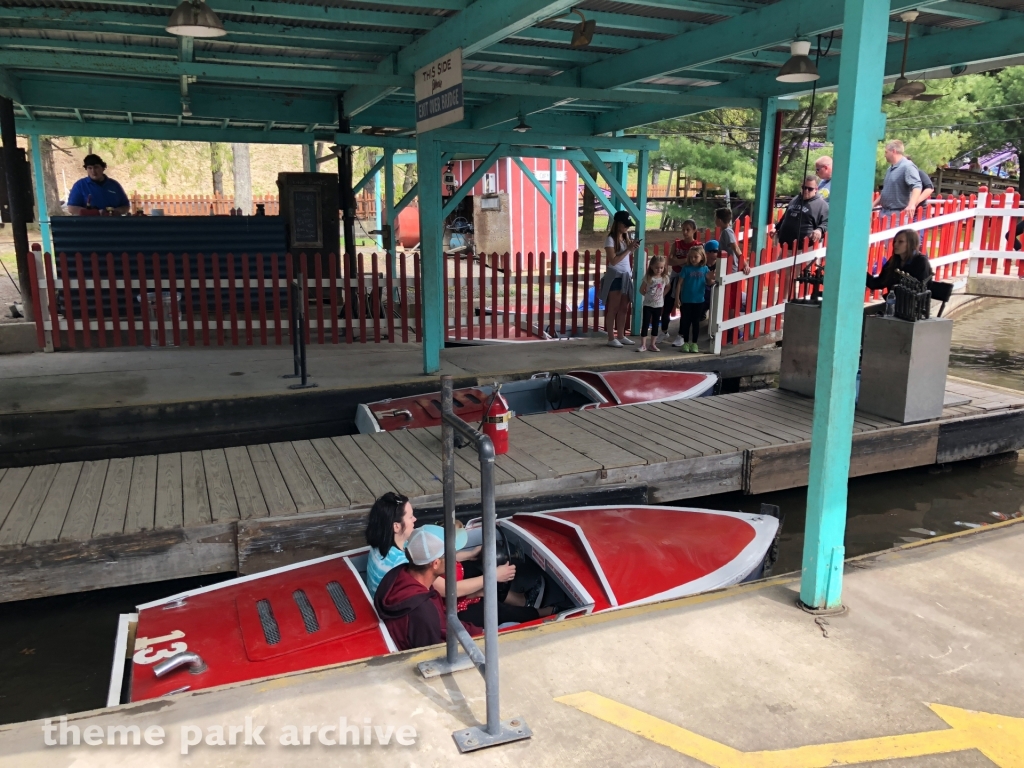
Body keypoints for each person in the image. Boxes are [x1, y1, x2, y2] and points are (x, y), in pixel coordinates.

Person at [364, 492, 515, 599]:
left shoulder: (383, 545)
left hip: (400, 602)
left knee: (473, 570)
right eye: (410, 517)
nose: (415, 519)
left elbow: (430, 556)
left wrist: (469, 554)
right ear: (396, 526)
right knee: (492, 597)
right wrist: (493, 576)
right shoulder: (402, 564)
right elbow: (448, 590)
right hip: (420, 606)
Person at [374, 528, 482, 651]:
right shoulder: (424, 612)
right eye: (451, 555)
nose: (455, 559)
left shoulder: (396, 575)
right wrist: (481, 633)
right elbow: (434, 652)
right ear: (435, 564)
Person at [601, 210, 641, 348]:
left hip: (626, 276)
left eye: (628, 225)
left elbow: (625, 255)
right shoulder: (610, 239)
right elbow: (613, 261)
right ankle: (611, 338)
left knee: (624, 307)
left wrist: (632, 248)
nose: (627, 227)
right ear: (618, 223)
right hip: (615, 276)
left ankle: (621, 335)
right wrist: (629, 249)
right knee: (613, 308)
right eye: (625, 224)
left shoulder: (625, 237)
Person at [664, 219, 701, 346]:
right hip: (675, 277)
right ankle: (663, 330)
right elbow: (670, 261)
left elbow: (695, 263)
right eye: (683, 229)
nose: (685, 232)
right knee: (667, 304)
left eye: (688, 230)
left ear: (694, 230)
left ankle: (681, 335)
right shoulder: (677, 244)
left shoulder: (697, 246)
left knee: (684, 308)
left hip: (688, 280)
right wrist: (685, 260)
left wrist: (678, 260)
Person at [865, 228, 933, 296]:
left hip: (912, 301)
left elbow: (922, 290)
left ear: (911, 244)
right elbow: (878, 283)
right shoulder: (894, 261)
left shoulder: (921, 261)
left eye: (900, 241)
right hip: (893, 300)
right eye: (895, 241)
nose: (895, 244)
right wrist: (861, 271)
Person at [672, 246, 713, 353]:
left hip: (699, 300)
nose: (693, 259)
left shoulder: (705, 269)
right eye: (691, 257)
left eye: (696, 257)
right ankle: (686, 342)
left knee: (695, 322)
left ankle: (694, 343)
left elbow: (709, 283)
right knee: (686, 322)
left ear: (702, 257)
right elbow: (679, 284)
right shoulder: (686, 269)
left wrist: (711, 279)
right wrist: (677, 298)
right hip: (686, 300)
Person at [774, 175, 828, 249]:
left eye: (810, 189)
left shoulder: (822, 205)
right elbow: (785, 217)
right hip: (786, 247)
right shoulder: (795, 199)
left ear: (816, 189)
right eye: (804, 188)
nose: (806, 191)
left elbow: (827, 222)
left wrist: (819, 230)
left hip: (806, 248)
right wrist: (776, 227)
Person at [66, 154, 130, 215]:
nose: (93, 171)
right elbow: (71, 208)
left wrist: (114, 212)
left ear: (103, 168)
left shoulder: (114, 185)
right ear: (86, 169)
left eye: (96, 167)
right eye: (90, 168)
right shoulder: (80, 186)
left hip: (112, 221)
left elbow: (126, 206)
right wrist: (94, 213)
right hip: (88, 222)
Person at [878, 140, 924, 223]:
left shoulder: (907, 166)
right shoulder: (890, 169)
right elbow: (885, 192)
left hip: (897, 216)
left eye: (886, 152)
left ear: (893, 151)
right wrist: (872, 205)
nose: (885, 155)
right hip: (884, 212)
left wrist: (911, 204)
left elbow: (917, 186)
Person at [637, 255, 670, 352]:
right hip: (648, 305)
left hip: (658, 305)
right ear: (651, 266)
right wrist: (647, 295)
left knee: (655, 325)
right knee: (645, 324)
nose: (659, 270)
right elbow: (641, 289)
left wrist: (663, 294)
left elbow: (668, 286)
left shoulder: (665, 278)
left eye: (661, 267)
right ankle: (643, 345)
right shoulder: (648, 277)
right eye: (657, 268)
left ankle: (652, 344)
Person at [701, 239, 719, 321]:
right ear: (707, 253)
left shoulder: (720, 264)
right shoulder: (701, 265)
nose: (719, 253)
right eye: (716, 251)